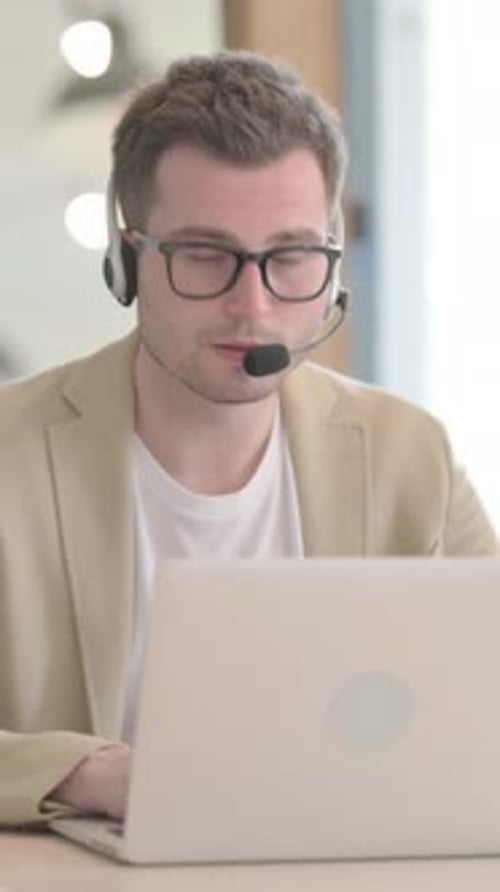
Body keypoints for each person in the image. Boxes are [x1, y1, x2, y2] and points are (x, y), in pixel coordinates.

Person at [0, 49, 498, 829]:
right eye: (207, 255)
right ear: (128, 261)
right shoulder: (10, 455)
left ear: (331, 263)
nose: (254, 307)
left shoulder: (408, 455)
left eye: (290, 256)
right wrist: (87, 775)